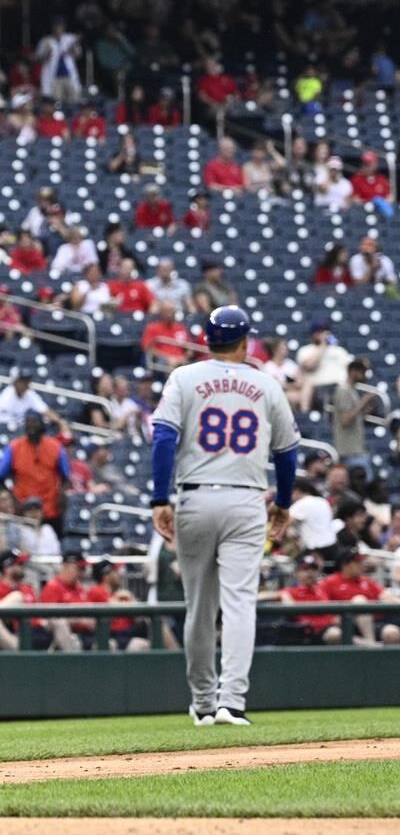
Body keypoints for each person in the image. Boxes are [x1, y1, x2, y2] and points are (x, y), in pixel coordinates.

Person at [151, 306, 301, 727]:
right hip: (246, 501)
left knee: (199, 608)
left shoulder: (184, 377)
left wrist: (159, 498)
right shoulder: (266, 384)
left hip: (195, 497)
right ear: (244, 341)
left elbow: (163, 437)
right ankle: (231, 703)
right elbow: (288, 452)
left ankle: (202, 702)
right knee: (238, 605)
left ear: (207, 338)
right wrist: (284, 504)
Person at [0, 413, 70, 536]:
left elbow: (65, 477)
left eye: (35, 423)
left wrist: (61, 495)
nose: (31, 426)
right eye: (28, 423)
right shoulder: (14, 447)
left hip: (50, 509)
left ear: (42, 425)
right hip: (22, 508)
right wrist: (12, 499)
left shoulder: (55, 447)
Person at [275, 555, 341, 645]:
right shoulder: (291, 591)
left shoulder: (323, 588)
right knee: (335, 634)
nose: (310, 572)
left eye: (313, 569)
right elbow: (265, 595)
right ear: (296, 573)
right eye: (305, 569)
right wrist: (283, 595)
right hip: (309, 634)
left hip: (330, 627)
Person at [87, 558, 149, 651]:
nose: (118, 575)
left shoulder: (117, 593)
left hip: (129, 633)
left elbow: (138, 614)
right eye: (115, 572)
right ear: (106, 576)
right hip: (112, 634)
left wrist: (130, 599)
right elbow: (112, 605)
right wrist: (126, 600)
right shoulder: (96, 590)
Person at [332, 359, 377, 473]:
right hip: (349, 452)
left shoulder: (352, 390)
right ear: (353, 372)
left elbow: (354, 415)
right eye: (362, 372)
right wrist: (364, 401)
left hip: (356, 449)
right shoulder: (343, 390)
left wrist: (367, 408)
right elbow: (345, 420)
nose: (363, 376)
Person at [0, 370, 65, 430]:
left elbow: (45, 410)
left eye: (27, 381)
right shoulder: (4, 397)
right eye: (22, 381)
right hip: (5, 428)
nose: (25, 384)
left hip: (22, 429)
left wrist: (60, 422)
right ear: (15, 383)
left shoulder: (29, 394)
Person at [288, 478, 338, 559]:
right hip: (333, 546)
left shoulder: (300, 504)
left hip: (315, 550)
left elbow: (283, 524)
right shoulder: (322, 501)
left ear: (297, 490)